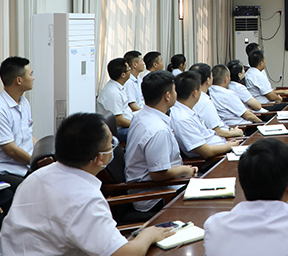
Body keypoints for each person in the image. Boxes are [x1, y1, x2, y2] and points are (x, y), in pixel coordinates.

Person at [0, 113, 173, 256]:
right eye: (111, 144)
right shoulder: (83, 197)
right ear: (100, 158)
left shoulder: (37, 177)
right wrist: (148, 235)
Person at [124, 71, 198, 213]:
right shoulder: (158, 130)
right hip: (155, 197)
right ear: (167, 96)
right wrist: (185, 170)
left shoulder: (140, 115)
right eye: (174, 90)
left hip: (161, 186)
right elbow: (158, 174)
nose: (176, 93)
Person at [0, 56, 36, 190]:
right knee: (35, 190)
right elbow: (10, 150)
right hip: (4, 170)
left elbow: (28, 135)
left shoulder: (24, 102)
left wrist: (44, 154)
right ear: (19, 80)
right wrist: (36, 162)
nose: (33, 78)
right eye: (30, 74)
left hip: (24, 166)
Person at [170, 72, 239, 160]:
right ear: (195, 93)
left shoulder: (187, 110)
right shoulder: (183, 119)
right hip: (214, 159)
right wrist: (231, 146)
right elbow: (207, 152)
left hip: (222, 145)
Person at [188, 63, 244, 139]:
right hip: (221, 139)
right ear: (208, 80)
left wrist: (230, 129)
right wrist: (236, 133)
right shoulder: (205, 102)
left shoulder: (191, 98)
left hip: (225, 130)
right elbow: (218, 131)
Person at [96, 57, 133, 143]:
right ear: (123, 75)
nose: (130, 71)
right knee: (144, 132)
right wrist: (136, 125)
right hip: (118, 131)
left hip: (126, 124)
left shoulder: (118, 87)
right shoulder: (113, 93)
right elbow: (119, 120)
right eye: (129, 69)